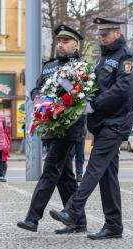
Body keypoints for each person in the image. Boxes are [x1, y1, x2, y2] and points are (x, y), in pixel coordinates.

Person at [49, 17, 133, 240]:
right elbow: (91, 86)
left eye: (105, 34)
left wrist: (94, 104)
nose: (101, 38)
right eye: (99, 35)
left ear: (117, 33)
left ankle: (72, 210)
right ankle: (113, 225)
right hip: (101, 123)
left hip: (116, 123)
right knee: (107, 176)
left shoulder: (127, 58)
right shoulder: (102, 60)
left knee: (94, 168)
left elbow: (123, 90)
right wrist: (70, 88)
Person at [17, 25, 88, 234]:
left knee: (49, 171)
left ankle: (32, 218)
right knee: (65, 176)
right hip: (49, 126)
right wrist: (38, 98)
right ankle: (78, 221)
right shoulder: (49, 66)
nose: (60, 45)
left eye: (65, 42)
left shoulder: (81, 67)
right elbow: (36, 88)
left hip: (68, 128)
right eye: (59, 41)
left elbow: (81, 97)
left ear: (75, 45)